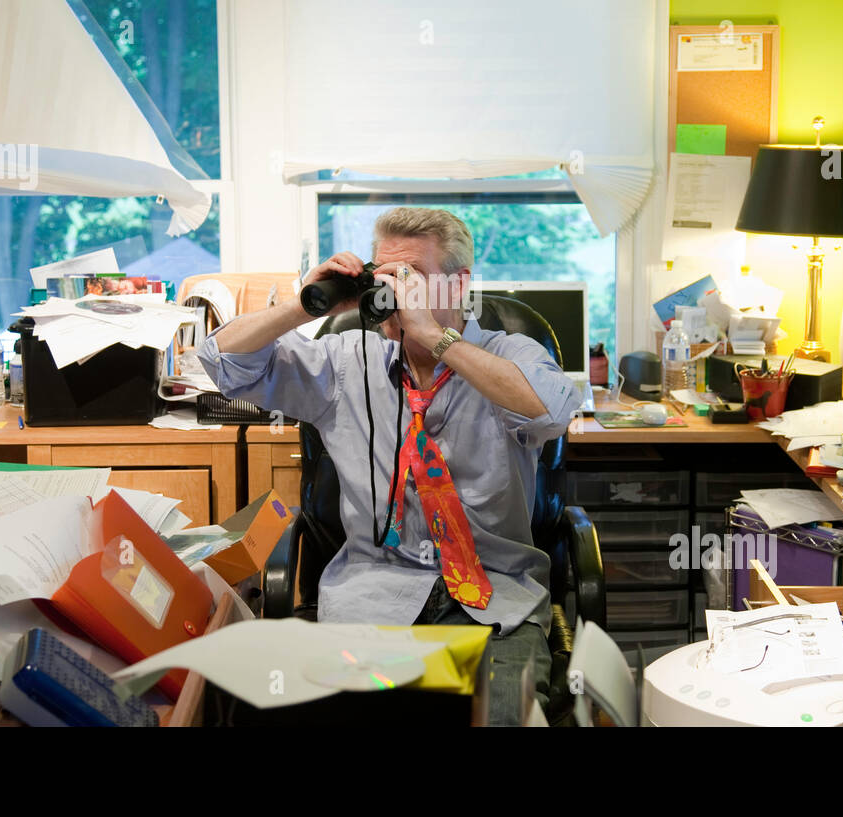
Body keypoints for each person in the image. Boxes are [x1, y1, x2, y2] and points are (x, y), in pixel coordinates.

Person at [197, 207, 581, 725]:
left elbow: (553, 408)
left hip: (495, 602)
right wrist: (303, 307)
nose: (397, 291)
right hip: (374, 597)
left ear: (459, 283)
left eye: (413, 278)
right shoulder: (346, 360)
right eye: (387, 275)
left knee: (507, 714)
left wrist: (437, 337)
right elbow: (223, 360)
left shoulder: (508, 353)